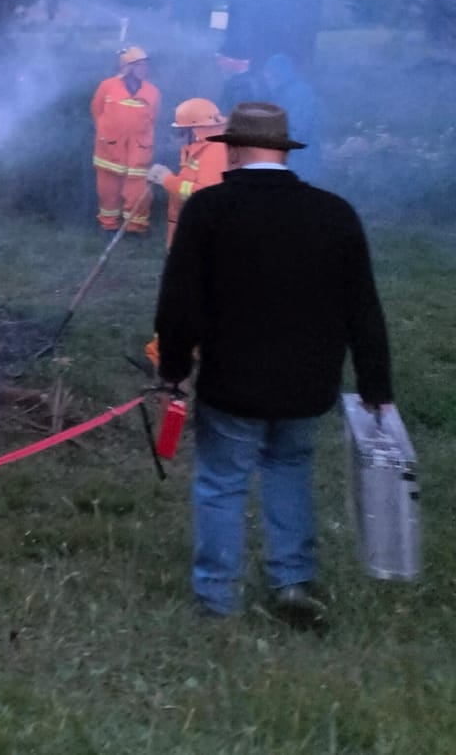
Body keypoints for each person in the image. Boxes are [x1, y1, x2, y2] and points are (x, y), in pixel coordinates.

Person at [154, 102, 393, 627]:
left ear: (233, 149)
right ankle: (292, 582)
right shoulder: (334, 213)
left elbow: (180, 302)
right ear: (282, 152)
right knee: (290, 471)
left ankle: (216, 599)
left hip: (232, 383)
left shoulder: (210, 210)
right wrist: (377, 384)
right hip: (307, 386)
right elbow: (363, 308)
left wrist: (172, 368)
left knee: (222, 482)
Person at [91, 45, 161, 235]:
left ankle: (135, 227)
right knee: (108, 191)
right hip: (109, 149)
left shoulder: (152, 91)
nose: (143, 68)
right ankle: (109, 224)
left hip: (139, 149)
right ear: (126, 67)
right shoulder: (107, 86)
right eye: (138, 65)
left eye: (145, 64)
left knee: (138, 191)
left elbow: (153, 117)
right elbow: (97, 110)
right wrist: (108, 132)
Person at [149, 99, 228, 248]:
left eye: (180, 131)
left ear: (195, 129)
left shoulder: (216, 151)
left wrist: (167, 180)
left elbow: (205, 196)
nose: (176, 137)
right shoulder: (202, 147)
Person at [263, 53, 324, 184]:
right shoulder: (279, 93)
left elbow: (298, 132)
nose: (266, 79)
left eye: (269, 74)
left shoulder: (299, 94)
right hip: (288, 164)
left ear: (277, 73)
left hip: (300, 165)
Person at [214, 50, 262, 115]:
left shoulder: (240, 84)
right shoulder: (258, 79)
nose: (218, 64)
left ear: (233, 59)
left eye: (221, 59)